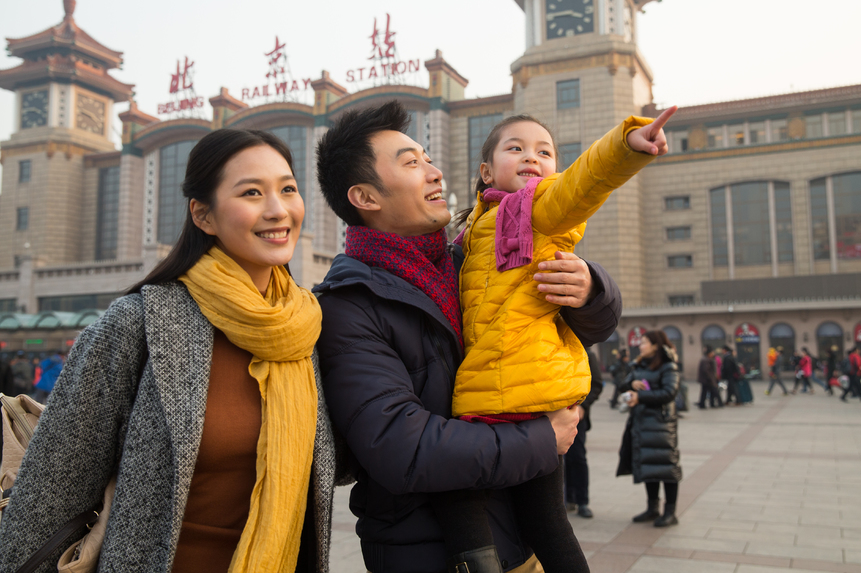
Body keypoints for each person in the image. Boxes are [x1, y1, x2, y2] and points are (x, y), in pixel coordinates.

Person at [0, 128, 337, 573]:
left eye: (288, 189)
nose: (278, 210)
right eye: (252, 193)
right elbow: (49, 496)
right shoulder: (137, 325)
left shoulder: (303, 329)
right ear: (203, 215)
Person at [312, 101, 628, 573]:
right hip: (424, 553)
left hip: (519, 541)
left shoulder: (466, 263)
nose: (435, 172)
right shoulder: (348, 306)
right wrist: (541, 439)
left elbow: (591, 327)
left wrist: (590, 289)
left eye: (428, 158)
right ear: (365, 197)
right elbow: (401, 448)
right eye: (412, 163)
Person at [445, 104, 671, 572]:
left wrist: (624, 146)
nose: (532, 157)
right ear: (485, 171)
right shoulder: (471, 233)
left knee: (464, 499)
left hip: (516, 389)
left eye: (544, 152)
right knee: (545, 523)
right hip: (507, 385)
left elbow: (584, 183)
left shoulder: (537, 209)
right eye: (516, 148)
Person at [617, 331, 682, 527]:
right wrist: (631, 383)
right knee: (648, 464)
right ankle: (652, 508)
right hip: (641, 422)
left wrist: (641, 397)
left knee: (667, 467)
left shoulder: (668, 366)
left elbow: (669, 392)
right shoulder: (639, 365)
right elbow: (621, 385)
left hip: (661, 424)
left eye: (644, 342)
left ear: (655, 345)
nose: (640, 345)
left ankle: (670, 512)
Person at [564, 346, 603, 519]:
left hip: (577, 416)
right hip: (556, 415)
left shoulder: (586, 352)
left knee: (577, 457)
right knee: (560, 459)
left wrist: (583, 406)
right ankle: (567, 498)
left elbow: (596, 385)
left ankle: (582, 501)